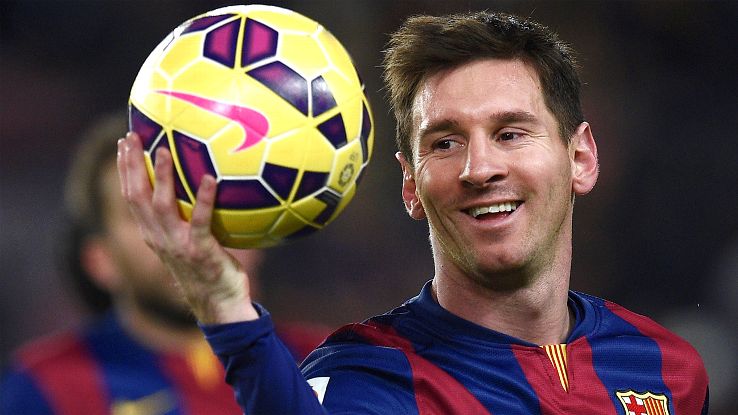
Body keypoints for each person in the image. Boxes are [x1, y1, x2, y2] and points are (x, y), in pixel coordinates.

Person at [116, 11, 709, 415]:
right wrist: (224, 307)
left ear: (580, 158)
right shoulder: (370, 378)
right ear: (410, 185)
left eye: (510, 133)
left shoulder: (668, 370)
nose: (479, 168)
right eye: (445, 143)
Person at [0, 113, 330, 415]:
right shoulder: (43, 390)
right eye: (147, 210)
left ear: (258, 239)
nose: (185, 228)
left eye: (205, 198)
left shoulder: (328, 363)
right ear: (99, 261)